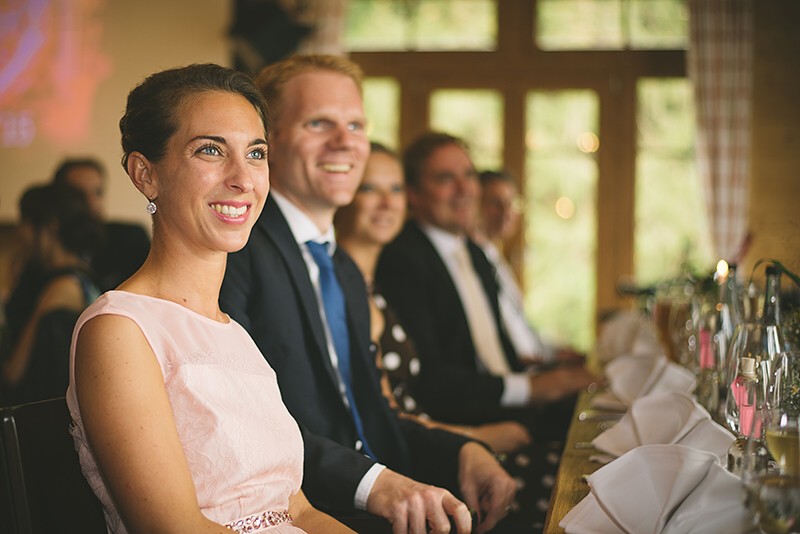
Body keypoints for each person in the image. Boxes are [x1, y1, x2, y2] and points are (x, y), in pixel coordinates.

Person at [220, 54, 515, 534]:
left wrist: (464, 452)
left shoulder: (343, 269)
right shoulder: (238, 249)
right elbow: (247, 427)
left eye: (356, 125)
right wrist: (376, 485)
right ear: (267, 140)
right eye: (319, 123)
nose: (345, 142)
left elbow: (371, 419)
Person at [66, 63, 353, 533]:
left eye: (256, 153)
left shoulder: (234, 332)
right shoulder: (120, 329)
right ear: (145, 175)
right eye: (210, 150)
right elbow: (175, 529)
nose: (243, 178)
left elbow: (299, 510)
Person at [375, 132, 598, 421]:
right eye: (445, 178)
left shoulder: (475, 253)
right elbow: (430, 378)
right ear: (413, 194)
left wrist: (550, 373)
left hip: (507, 404)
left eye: (468, 175)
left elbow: (494, 353)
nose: (464, 189)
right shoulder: (402, 259)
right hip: (462, 422)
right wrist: (531, 387)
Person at [334, 143, 532, 455]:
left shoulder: (371, 288)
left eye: (395, 189)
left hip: (426, 437)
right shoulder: (344, 285)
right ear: (342, 194)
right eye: (370, 188)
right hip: (402, 454)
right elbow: (381, 417)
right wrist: (476, 438)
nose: (388, 203)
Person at [1, 183, 102, 405]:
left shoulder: (60, 288)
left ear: (50, 227)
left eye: (25, 221)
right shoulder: (83, 276)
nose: (21, 231)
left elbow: (13, 372)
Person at [475, 170, 584, 367]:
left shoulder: (494, 255)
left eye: (512, 203)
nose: (507, 213)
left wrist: (552, 352)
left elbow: (520, 325)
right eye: (495, 203)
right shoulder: (475, 262)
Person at [52, 157, 151, 292]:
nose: (91, 202)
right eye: (79, 194)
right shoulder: (46, 246)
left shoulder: (130, 238)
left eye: (98, 192)